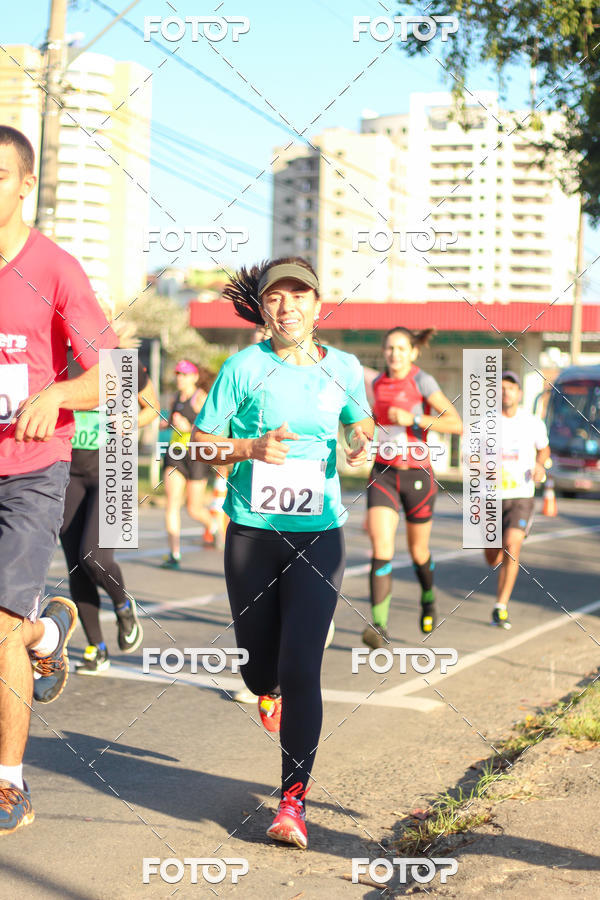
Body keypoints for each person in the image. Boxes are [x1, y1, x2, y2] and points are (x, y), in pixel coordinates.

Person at [192, 257, 373, 849]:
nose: (288, 305)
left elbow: (359, 421)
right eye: (277, 296)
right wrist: (248, 447)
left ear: (319, 305)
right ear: (264, 308)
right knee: (258, 666)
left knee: (302, 666)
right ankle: (264, 688)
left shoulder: (343, 368)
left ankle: (293, 800)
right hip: (251, 534)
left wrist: (358, 438)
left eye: (300, 294)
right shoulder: (242, 368)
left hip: (320, 533)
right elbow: (197, 444)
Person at [0, 126, 117, 833]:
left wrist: (58, 396)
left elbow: (116, 374)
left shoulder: (55, 269)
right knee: (15, 631)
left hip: (32, 471)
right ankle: (49, 635)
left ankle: (9, 783)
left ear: (23, 185)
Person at [59, 316, 159, 674]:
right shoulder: (59, 358)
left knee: (94, 556)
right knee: (76, 564)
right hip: (69, 471)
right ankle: (96, 648)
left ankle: (122, 605)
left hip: (114, 468)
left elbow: (153, 410)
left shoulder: (119, 361)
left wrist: (131, 421)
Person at [363, 327, 462, 648]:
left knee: (418, 551)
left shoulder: (422, 381)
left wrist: (415, 419)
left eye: (402, 348)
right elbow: (368, 425)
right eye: (390, 348)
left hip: (418, 476)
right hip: (383, 473)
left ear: (413, 352)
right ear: (384, 351)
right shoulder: (377, 384)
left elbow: (456, 423)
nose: (395, 354)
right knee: (382, 548)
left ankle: (429, 597)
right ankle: (379, 626)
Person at [484, 370, 550, 629]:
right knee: (493, 557)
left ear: (519, 393)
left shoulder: (532, 422)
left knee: (512, 545)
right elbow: (471, 455)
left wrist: (539, 465)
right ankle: (496, 549)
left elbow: (544, 449)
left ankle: (501, 606)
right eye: (500, 387)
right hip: (491, 496)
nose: (505, 391)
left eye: (510, 387)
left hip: (521, 495)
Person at [160, 360, 219, 568]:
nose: (179, 378)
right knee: (172, 503)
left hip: (196, 454)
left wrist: (188, 427)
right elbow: (169, 422)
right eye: (177, 373)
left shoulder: (200, 397)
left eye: (184, 374)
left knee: (193, 508)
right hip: (175, 453)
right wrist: (165, 423)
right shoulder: (175, 398)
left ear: (194, 377)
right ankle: (174, 553)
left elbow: (213, 427)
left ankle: (211, 524)